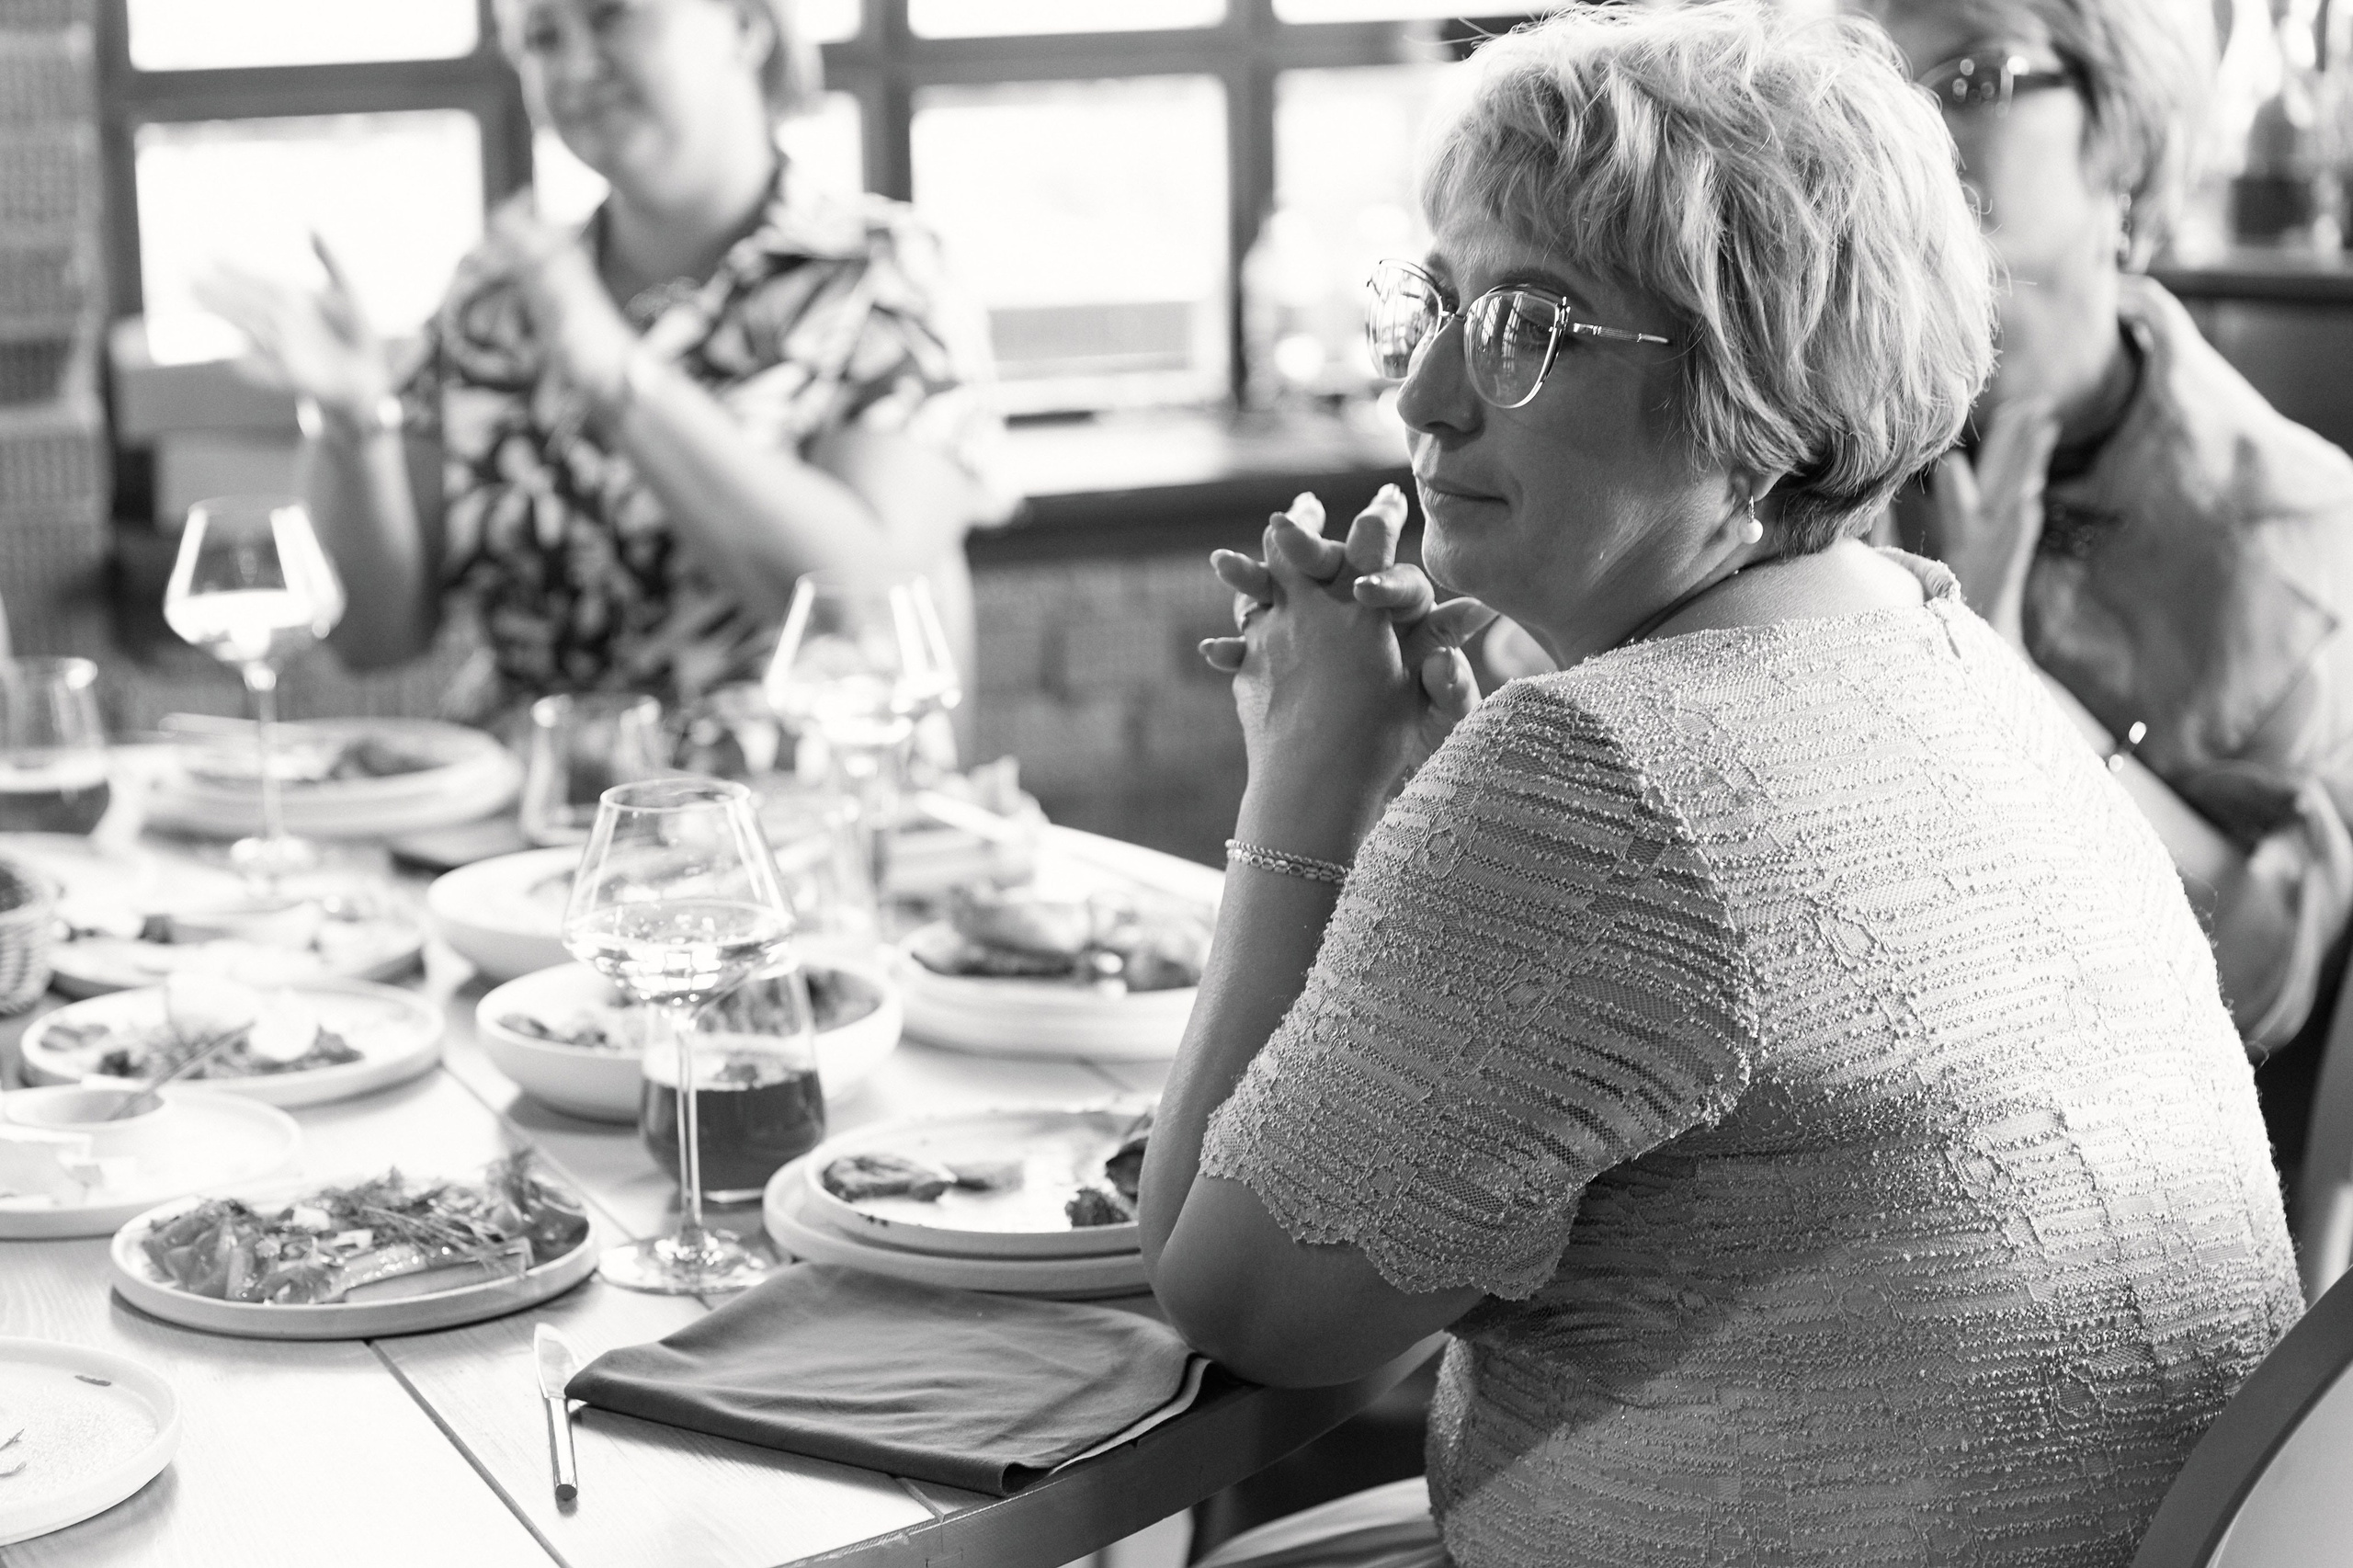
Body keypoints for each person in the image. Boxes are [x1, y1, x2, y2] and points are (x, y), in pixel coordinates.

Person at [1142, 7, 2302, 1566]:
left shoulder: (1597, 782)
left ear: (1750, 387)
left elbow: (1246, 1302)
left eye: (1529, 324)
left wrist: (1305, 773)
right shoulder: (1950, 649)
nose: (1422, 397)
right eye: (1437, 303)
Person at [198, 0, 1006, 731]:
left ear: (748, 28)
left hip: (785, 834)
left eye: (613, 16)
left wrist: (616, 373)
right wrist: (353, 421)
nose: (578, 65)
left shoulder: (884, 276)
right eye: (544, 36)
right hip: (521, 838)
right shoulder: (500, 296)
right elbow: (373, 641)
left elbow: (865, 613)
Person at [1859, 0, 2353, 1169]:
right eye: (1881, 81)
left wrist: (2011, 686)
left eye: (1973, 78)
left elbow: (2266, 972)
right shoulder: (1797, 444)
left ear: (2118, 136)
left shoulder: (2293, 526)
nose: (1914, 126)